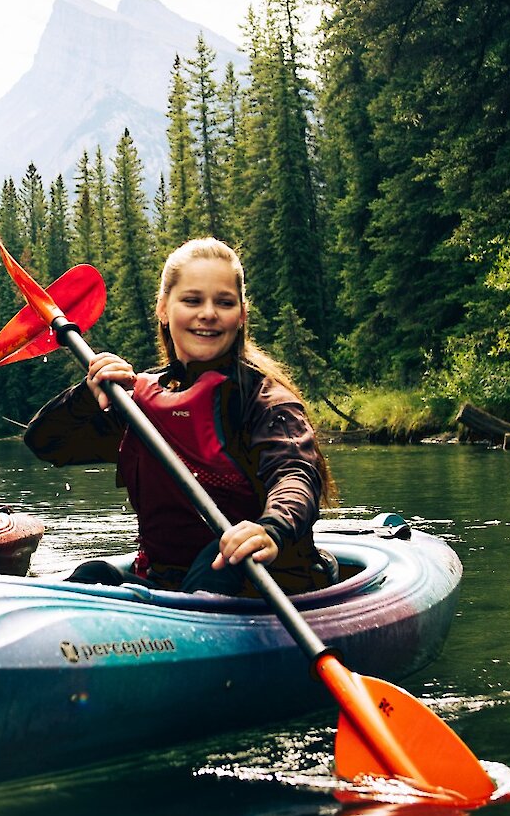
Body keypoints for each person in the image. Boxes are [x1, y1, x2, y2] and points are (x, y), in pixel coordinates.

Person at [24, 237, 337, 596]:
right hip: (170, 581)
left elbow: (295, 475)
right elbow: (46, 444)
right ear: (163, 308)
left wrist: (270, 528)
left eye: (224, 302)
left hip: (261, 576)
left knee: (216, 562)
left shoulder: (263, 399)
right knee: (92, 573)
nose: (208, 313)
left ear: (242, 315)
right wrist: (87, 394)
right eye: (192, 300)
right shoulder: (139, 403)